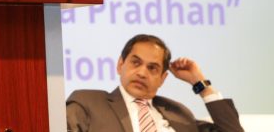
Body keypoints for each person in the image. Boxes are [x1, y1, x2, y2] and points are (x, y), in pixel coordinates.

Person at [66, 34, 244, 132]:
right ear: (120, 64)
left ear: (162, 78)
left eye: (152, 68)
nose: (142, 73)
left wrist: (201, 84)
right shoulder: (88, 102)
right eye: (136, 63)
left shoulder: (178, 114)